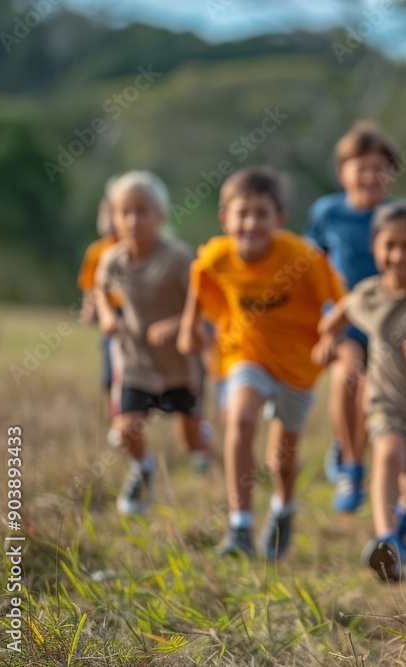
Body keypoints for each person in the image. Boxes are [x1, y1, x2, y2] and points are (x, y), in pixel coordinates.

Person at [178, 167, 345, 560]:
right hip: (245, 352)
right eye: (242, 213)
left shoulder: (302, 257)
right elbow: (199, 275)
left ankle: (283, 508)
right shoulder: (218, 254)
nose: (250, 222)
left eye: (261, 213)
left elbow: (342, 301)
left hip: (298, 364)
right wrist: (190, 326)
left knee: (280, 459)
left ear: (278, 219)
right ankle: (239, 526)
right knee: (240, 418)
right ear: (225, 219)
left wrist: (331, 339)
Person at [315, 200, 406, 582]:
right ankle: (386, 537)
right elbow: (338, 314)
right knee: (389, 451)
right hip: (385, 403)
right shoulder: (368, 294)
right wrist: (326, 342)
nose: (398, 255)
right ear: (375, 248)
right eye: (389, 245)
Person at [94, 171, 211, 515]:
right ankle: (143, 467)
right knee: (127, 426)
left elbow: (203, 303)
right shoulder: (112, 259)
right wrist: (106, 314)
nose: (132, 220)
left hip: (179, 364)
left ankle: (205, 441)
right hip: (136, 360)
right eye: (124, 212)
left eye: (142, 211)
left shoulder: (178, 258)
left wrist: (176, 325)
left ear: (160, 216)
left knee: (190, 441)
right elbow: (100, 288)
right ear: (113, 217)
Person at [305, 121, 399, 512]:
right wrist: (320, 329)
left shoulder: (395, 217)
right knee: (346, 378)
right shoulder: (327, 212)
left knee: (368, 397)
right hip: (340, 322)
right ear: (343, 171)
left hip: (382, 323)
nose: (369, 176)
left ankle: (353, 459)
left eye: (379, 167)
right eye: (359, 167)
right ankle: (350, 464)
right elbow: (309, 268)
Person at [78, 194, 122, 418]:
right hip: (109, 314)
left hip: (132, 313)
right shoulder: (96, 251)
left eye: (116, 216)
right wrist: (89, 310)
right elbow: (90, 285)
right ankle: (115, 412)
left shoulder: (131, 248)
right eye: (106, 216)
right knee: (110, 367)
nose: (111, 223)